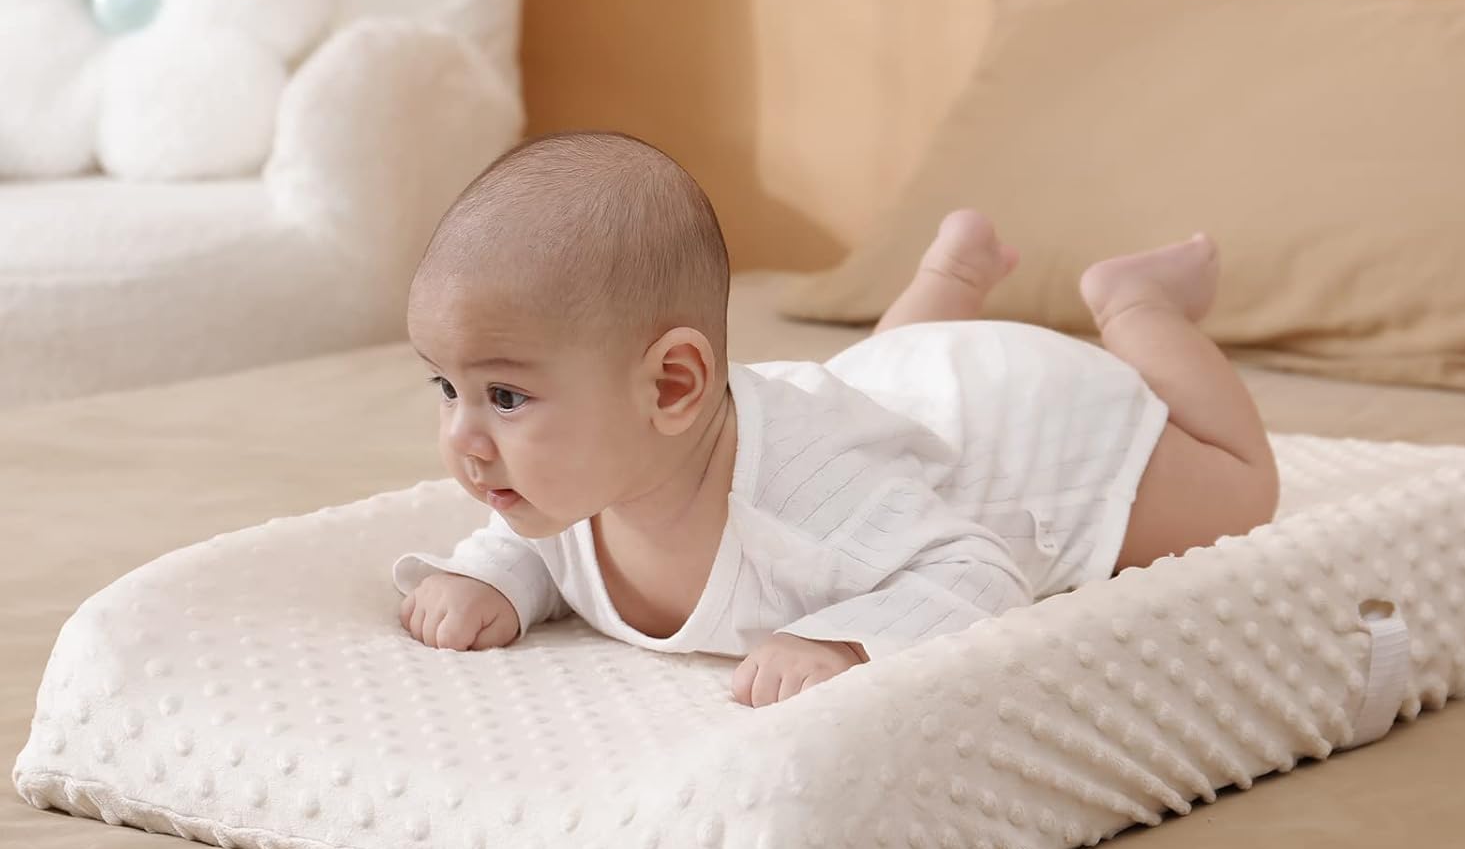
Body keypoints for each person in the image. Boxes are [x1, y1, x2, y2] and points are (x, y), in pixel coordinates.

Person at [393, 130, 1278, 708]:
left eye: (505, 398)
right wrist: (493, 580)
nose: (463, 440)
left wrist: (847, 641)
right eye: (446, 388)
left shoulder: (808, 506)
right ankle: (949, 282)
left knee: (1241, 491)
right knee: (874, 391)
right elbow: (541, 545)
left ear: (670, 388)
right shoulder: (574, 484)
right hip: (878, 389)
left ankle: (1136, 305)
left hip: (1016, 419)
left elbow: (977, 568)